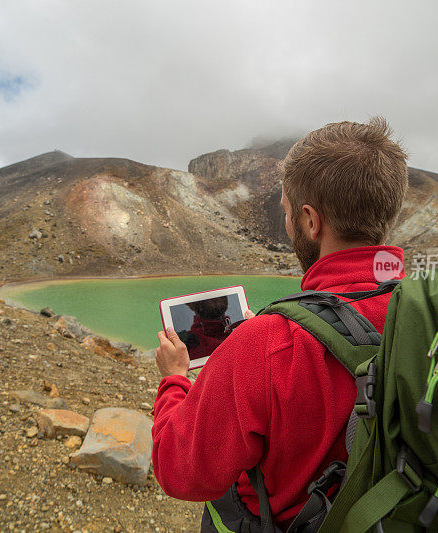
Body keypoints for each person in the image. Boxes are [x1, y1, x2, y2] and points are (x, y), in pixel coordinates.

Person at [152, 118, 409, 531]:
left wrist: (175, 380)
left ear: (311, 221)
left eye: (288, 214)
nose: (288, 225)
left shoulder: (263, 344)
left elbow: (180, 471)